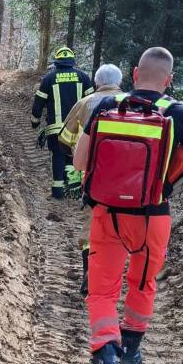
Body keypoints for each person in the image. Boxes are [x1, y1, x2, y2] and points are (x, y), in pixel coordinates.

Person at [73, 47, 183, 364]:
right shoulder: (179, 114)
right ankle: (130, 353)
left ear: (135, 73)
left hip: (107, 214)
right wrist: (176, 185)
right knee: (142, 283)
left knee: (102, 292)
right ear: (168, 80)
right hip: (153, 217)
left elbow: (79, 162)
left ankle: (107, 359)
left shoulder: (104, 106)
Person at [59, 64, 123, 297]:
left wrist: (76, 153)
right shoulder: (134, 102)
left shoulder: (86, 103)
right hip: (131, 179)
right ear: (120, 82)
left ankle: (90, 274)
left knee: (92, 224)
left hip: (96, 175)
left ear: (97, 82)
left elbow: (65, 138)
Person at [31, 46, 94, 199]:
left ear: (56, 62)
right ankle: (74, 190)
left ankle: (58, 192)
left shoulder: (49, 78)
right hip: (78, 129)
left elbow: (38, 103)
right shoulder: (83, 77)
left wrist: (35, 121)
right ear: (72, 62)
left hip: (56, 128)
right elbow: (93, 102)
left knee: (58, 156)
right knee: (74, 155)